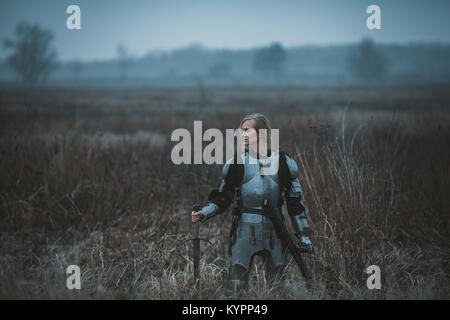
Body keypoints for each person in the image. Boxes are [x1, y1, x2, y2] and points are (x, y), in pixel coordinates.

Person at [191, 113, 312, 291]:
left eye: (246, 130)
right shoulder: (236, 163)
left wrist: (304, 236)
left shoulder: (285, 163)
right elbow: (224, 197)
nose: (242, 134)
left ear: (261, 132)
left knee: (277, 287)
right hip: (244, 231)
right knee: (235, 285)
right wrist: (204, 213)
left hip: (276, 231)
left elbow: (295, 204)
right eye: (241, 131)